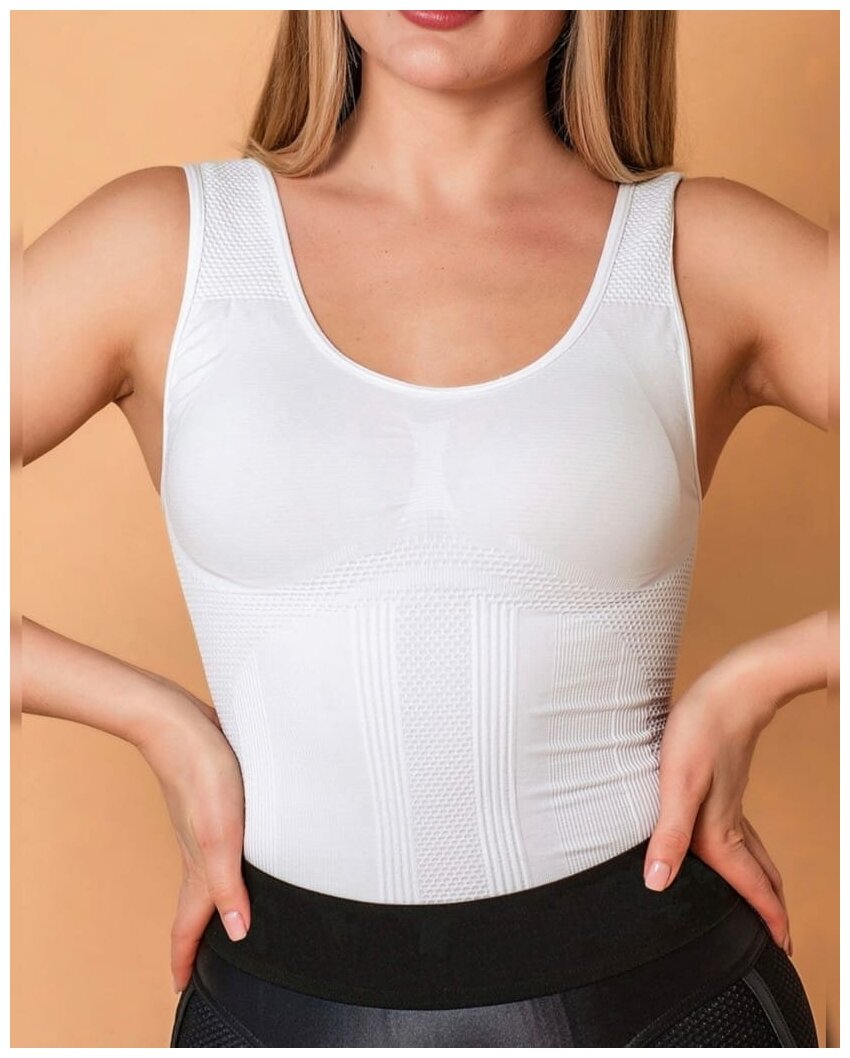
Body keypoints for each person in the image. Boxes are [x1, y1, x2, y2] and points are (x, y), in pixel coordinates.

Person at [19, 9, 830, 1048]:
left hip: (663, 1003)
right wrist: (150, 716)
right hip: (273, 1004)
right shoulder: (165, 247)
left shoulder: (696, 252)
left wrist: (777, 669)